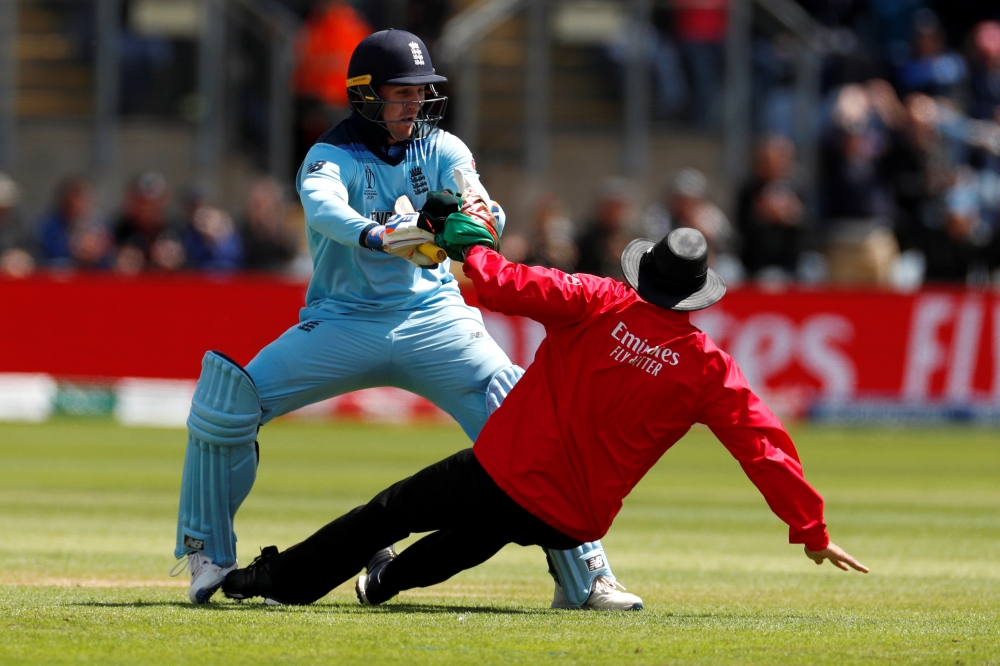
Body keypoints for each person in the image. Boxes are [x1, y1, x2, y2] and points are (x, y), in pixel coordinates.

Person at [172, 29, 641, 612]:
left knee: (525, 412)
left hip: (433, 317)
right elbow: (323, 210)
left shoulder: (443, 147)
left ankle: (585, 576)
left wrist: (470, 223)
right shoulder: (329, 155)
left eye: (422, 93)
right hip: (343, 320)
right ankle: (208, 554)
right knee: (225, 405)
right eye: (402, 93)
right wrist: (380, 233)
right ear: (365, 95)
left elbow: (480, 204)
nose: (415, 104)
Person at [221, 226, 868, 608]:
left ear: (647, 275)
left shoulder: (600, 302)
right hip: (573, 518)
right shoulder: (707, 369)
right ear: (696, 297)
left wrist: (465, 242)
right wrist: (810, 529)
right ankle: (382, 583)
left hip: (507, 469)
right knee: (473, 539)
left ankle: (274, 580)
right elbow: (763, 447)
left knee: (391, 513)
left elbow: (506, 285)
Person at [36, 176, 114, 269]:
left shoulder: (101, 225)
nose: (81, 203)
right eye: (77, 197)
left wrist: (97, 253)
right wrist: (73, 250)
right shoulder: (49, 225)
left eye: (85, 198)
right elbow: (45, 258)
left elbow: (110, 259)